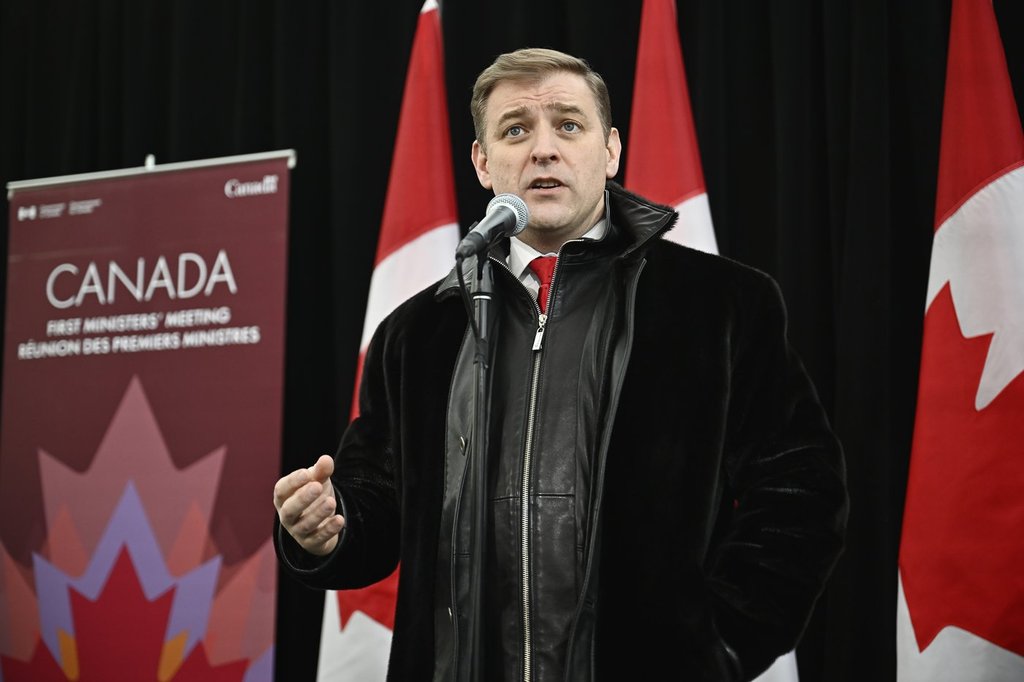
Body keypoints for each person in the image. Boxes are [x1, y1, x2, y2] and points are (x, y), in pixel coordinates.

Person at [274, 47, 847, 681]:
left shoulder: (721, 305)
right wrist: (330, 526)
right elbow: (377, 504)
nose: (543, 149)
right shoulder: (416, 333)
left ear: (611, 150)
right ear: (483, 162)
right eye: (516, 130)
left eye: (568, 125)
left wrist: (717, 648)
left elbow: (800, 493)